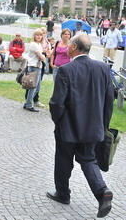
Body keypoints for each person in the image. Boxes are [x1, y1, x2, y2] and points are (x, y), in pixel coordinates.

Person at [48, 34, 114, 218]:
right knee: (88, 160)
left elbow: (57, 103)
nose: (67, 47)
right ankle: (102, 192)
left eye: (69, 44)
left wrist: (58, 121)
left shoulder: (66, 70)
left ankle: (63, 194)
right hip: (93, 128)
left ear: (75, 47)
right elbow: (109, 100)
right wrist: (103, 125)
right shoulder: (103, 68)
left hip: (68, 127)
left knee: (63, 160)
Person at [23, 29, 45, 112]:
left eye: (40, 35)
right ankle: (29, 104)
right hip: (34, 66)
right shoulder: (33, 44)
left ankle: (27, 103)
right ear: (34, 36)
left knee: (36, 87)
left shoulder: (39, 44)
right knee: (33, 87)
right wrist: (43, 56)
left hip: (38, 66)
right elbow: (41, 57)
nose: (39, 36)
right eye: (37, 35)